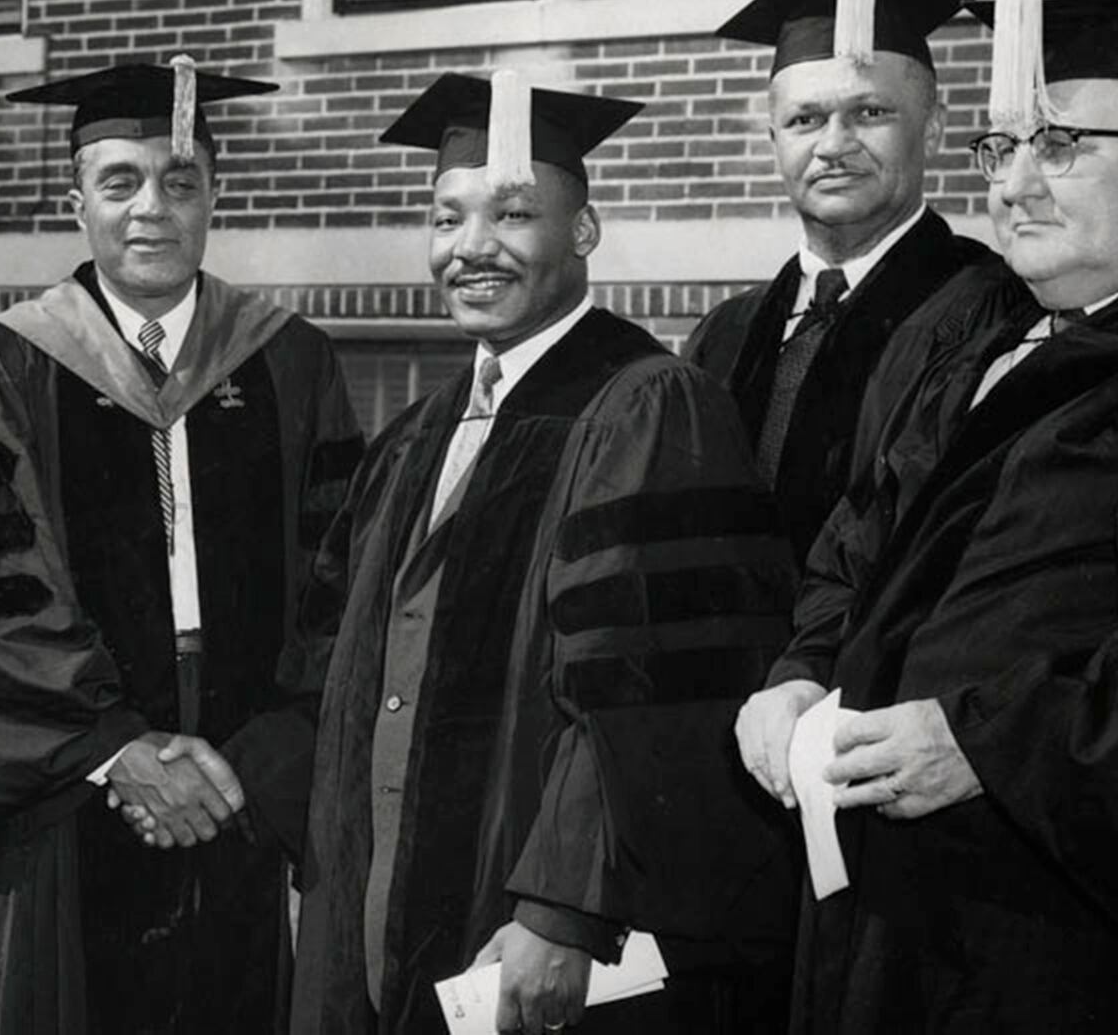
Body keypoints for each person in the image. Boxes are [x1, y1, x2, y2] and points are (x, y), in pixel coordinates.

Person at [734, 0, 1118, 1031]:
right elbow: (857, 548)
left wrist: (984, 742)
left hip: (1078, 955)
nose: (1011, 183)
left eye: (1058, 144)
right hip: (905, 928)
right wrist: (799, 672)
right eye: (997, 144)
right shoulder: (994, 345)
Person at [266, 72, 800, 1035]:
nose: (472, 248)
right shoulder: (416, 435)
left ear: (584, 232)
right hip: (378, 901)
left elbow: (645, 693)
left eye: (513, 214)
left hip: (526, 917)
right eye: (447, 218)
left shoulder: (646, 405)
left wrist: (563, 908)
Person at [0, 58, 363, 1035]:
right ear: (76, 203)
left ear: (213, 198)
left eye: (179, 179)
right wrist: (115, 748)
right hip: (65, 791)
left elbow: (340, 585)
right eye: (120, 181)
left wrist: (261, 758)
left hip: (239, 778)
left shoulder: (292, 359)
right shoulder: (1, 362)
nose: (151, 207)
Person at [684, 0, 993, 564]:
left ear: (932, 128)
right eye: (805, 120)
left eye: (870, 113)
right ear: (774, 142)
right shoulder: (723, 334)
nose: (833, 145)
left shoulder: (989, 311)